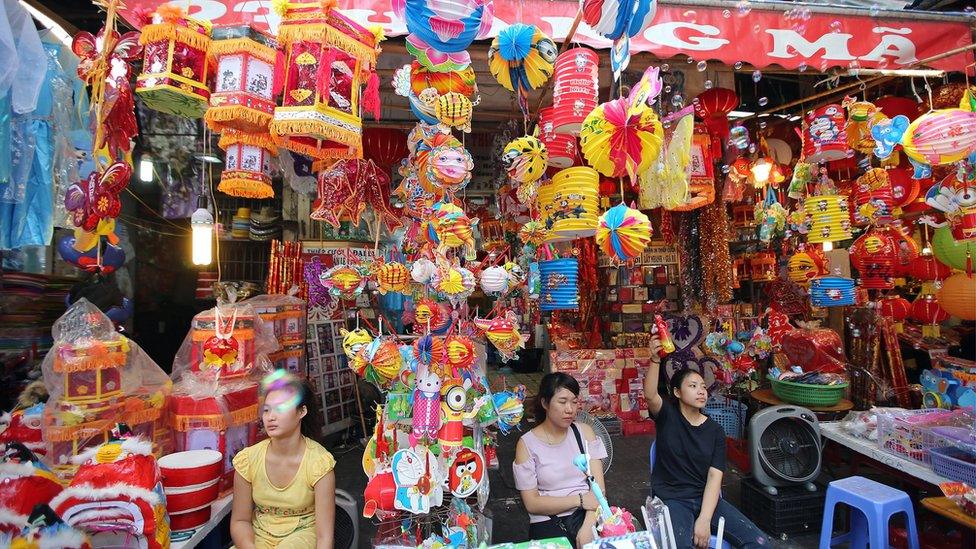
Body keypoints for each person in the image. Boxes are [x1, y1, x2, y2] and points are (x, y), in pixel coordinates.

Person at [643, 333, 768, 549]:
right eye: (692, 386)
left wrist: (703, 518)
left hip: (705, 499)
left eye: (702, 386)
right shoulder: (667, 416)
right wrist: (655, 360)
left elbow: (714, 477)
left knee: (759, 543)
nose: (701, 391)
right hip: (672, 500)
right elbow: (650, 395)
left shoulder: (715, 431)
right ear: (677, 392)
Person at [231, 373, 336, 549]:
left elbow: (324, 537)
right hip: (259, 537)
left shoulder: (319, 463)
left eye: (280, 408)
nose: (270, 417)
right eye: (266, 410)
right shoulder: (247, 460)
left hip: (302, 536)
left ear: (302, 411)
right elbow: (240, 520)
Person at [513, 372, 608, 548]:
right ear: (545, 403)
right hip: (547, 520)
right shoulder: (526, 444)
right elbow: (532, 503)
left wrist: (587, 528)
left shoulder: (585, 432)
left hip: (589, 514)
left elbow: (598, 490)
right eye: (562, 402)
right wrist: (579, 500)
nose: (570, 409)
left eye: (574, 401)